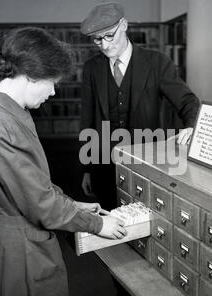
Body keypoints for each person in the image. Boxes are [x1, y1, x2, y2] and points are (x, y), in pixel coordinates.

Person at [0, 27, 127, 296]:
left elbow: (32, 185)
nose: (52, 92)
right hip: (20, 251)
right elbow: (39, 204)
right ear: (30, 76)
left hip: (12, 239)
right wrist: (97, 225)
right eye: (51, 82)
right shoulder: (1, 124)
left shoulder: (1, 112)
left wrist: (72, 204)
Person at [80, 2, 200, 210]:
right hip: (105, 165)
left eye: (109, 35)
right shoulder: (92, 68)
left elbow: (188, 101)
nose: (105, 45)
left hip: (149, 162)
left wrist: (191, 127)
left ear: (124, 25)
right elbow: (87, 119)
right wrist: (87, 169)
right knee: (111, 220)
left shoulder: (157, 62)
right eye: (97, 39)